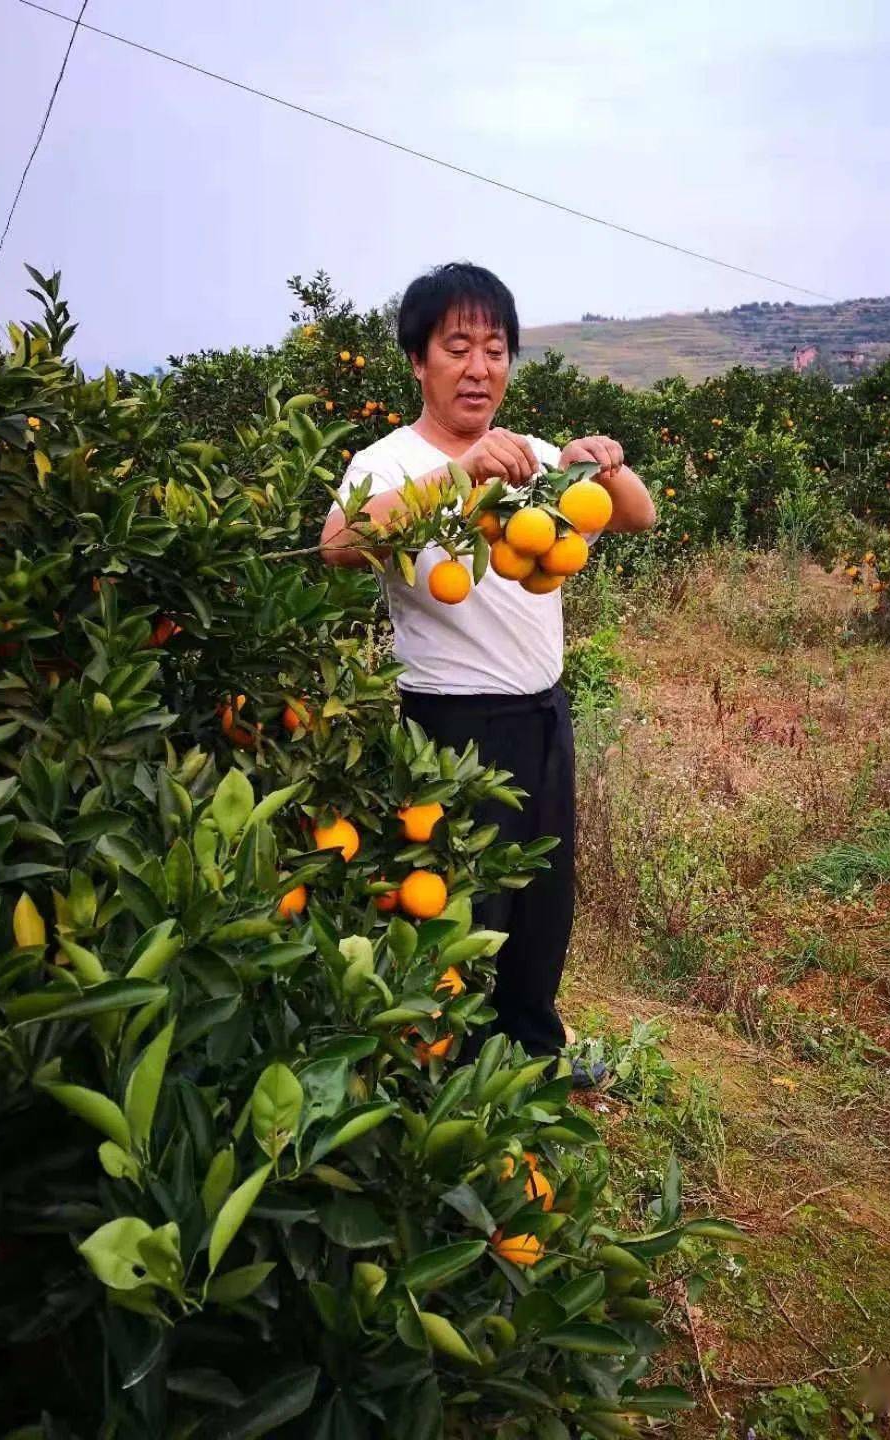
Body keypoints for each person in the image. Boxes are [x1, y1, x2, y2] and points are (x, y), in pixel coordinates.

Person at [320, 262, 655, 1079]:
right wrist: (458, 476)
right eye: (458, 346)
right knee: (460, 905)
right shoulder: (389, 460)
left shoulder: (533, 456)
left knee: (542, 901)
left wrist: (599, 463)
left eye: (495, 348)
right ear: (418, 361)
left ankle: (533, 1053)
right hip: (448, 727)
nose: (479, 367)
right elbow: (337, 544)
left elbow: (640, 515)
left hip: (542, 714)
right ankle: (447, 1074)